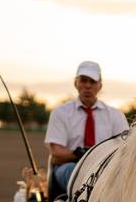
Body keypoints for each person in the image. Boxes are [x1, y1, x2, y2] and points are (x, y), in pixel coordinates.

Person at [44, 60, 129, 192]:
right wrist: (81, 154)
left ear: (100, 85)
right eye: (84, 80)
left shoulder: (116, 115)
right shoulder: (60, 113)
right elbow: (56, 153)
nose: (88, 86)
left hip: (105, 168)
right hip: (71, 166)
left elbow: (125, 149)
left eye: (92, 82)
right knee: (74, 172)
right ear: (76, 83)